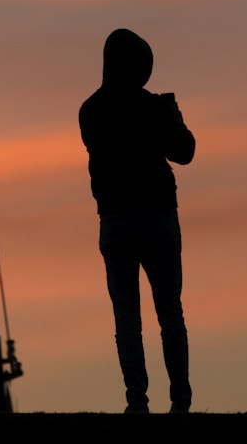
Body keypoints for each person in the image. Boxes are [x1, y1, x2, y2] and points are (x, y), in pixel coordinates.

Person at [79, 27, 195, 413]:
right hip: (157, 217)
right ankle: (180, 400)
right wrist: (173, 118)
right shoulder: (152, 108)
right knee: (170, 312)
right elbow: (185, 151)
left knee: (127, 318)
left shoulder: (90, 111)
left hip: (115, 221)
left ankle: (136, 402)